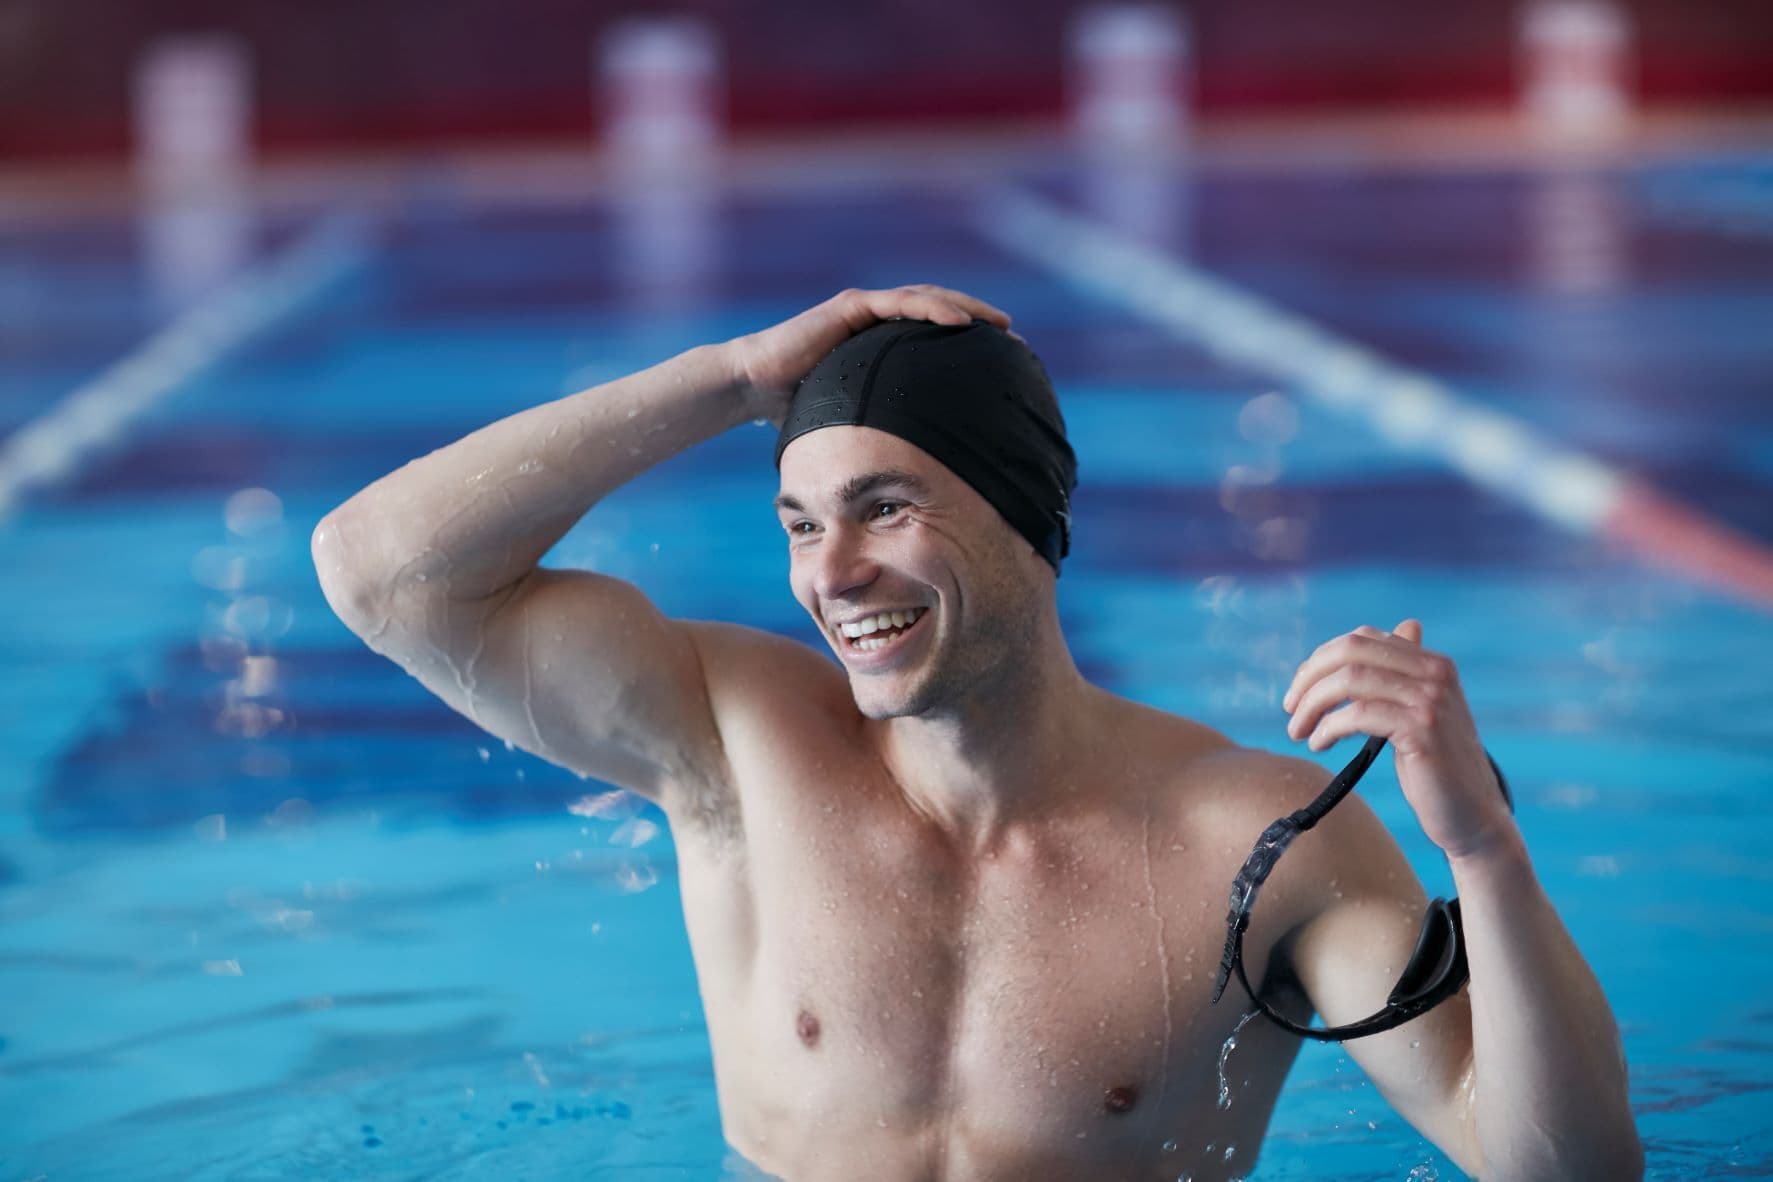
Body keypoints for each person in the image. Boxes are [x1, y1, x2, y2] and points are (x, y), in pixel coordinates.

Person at [312, 285, 1641, 1180]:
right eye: (797, 521)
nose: (829, 571)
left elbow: (1550, 1162)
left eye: (883, 506)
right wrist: (734, 378)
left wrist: (1482, 851)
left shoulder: (1258, 845)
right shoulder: (735, 742)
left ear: (1024, 516)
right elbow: (383, 574)